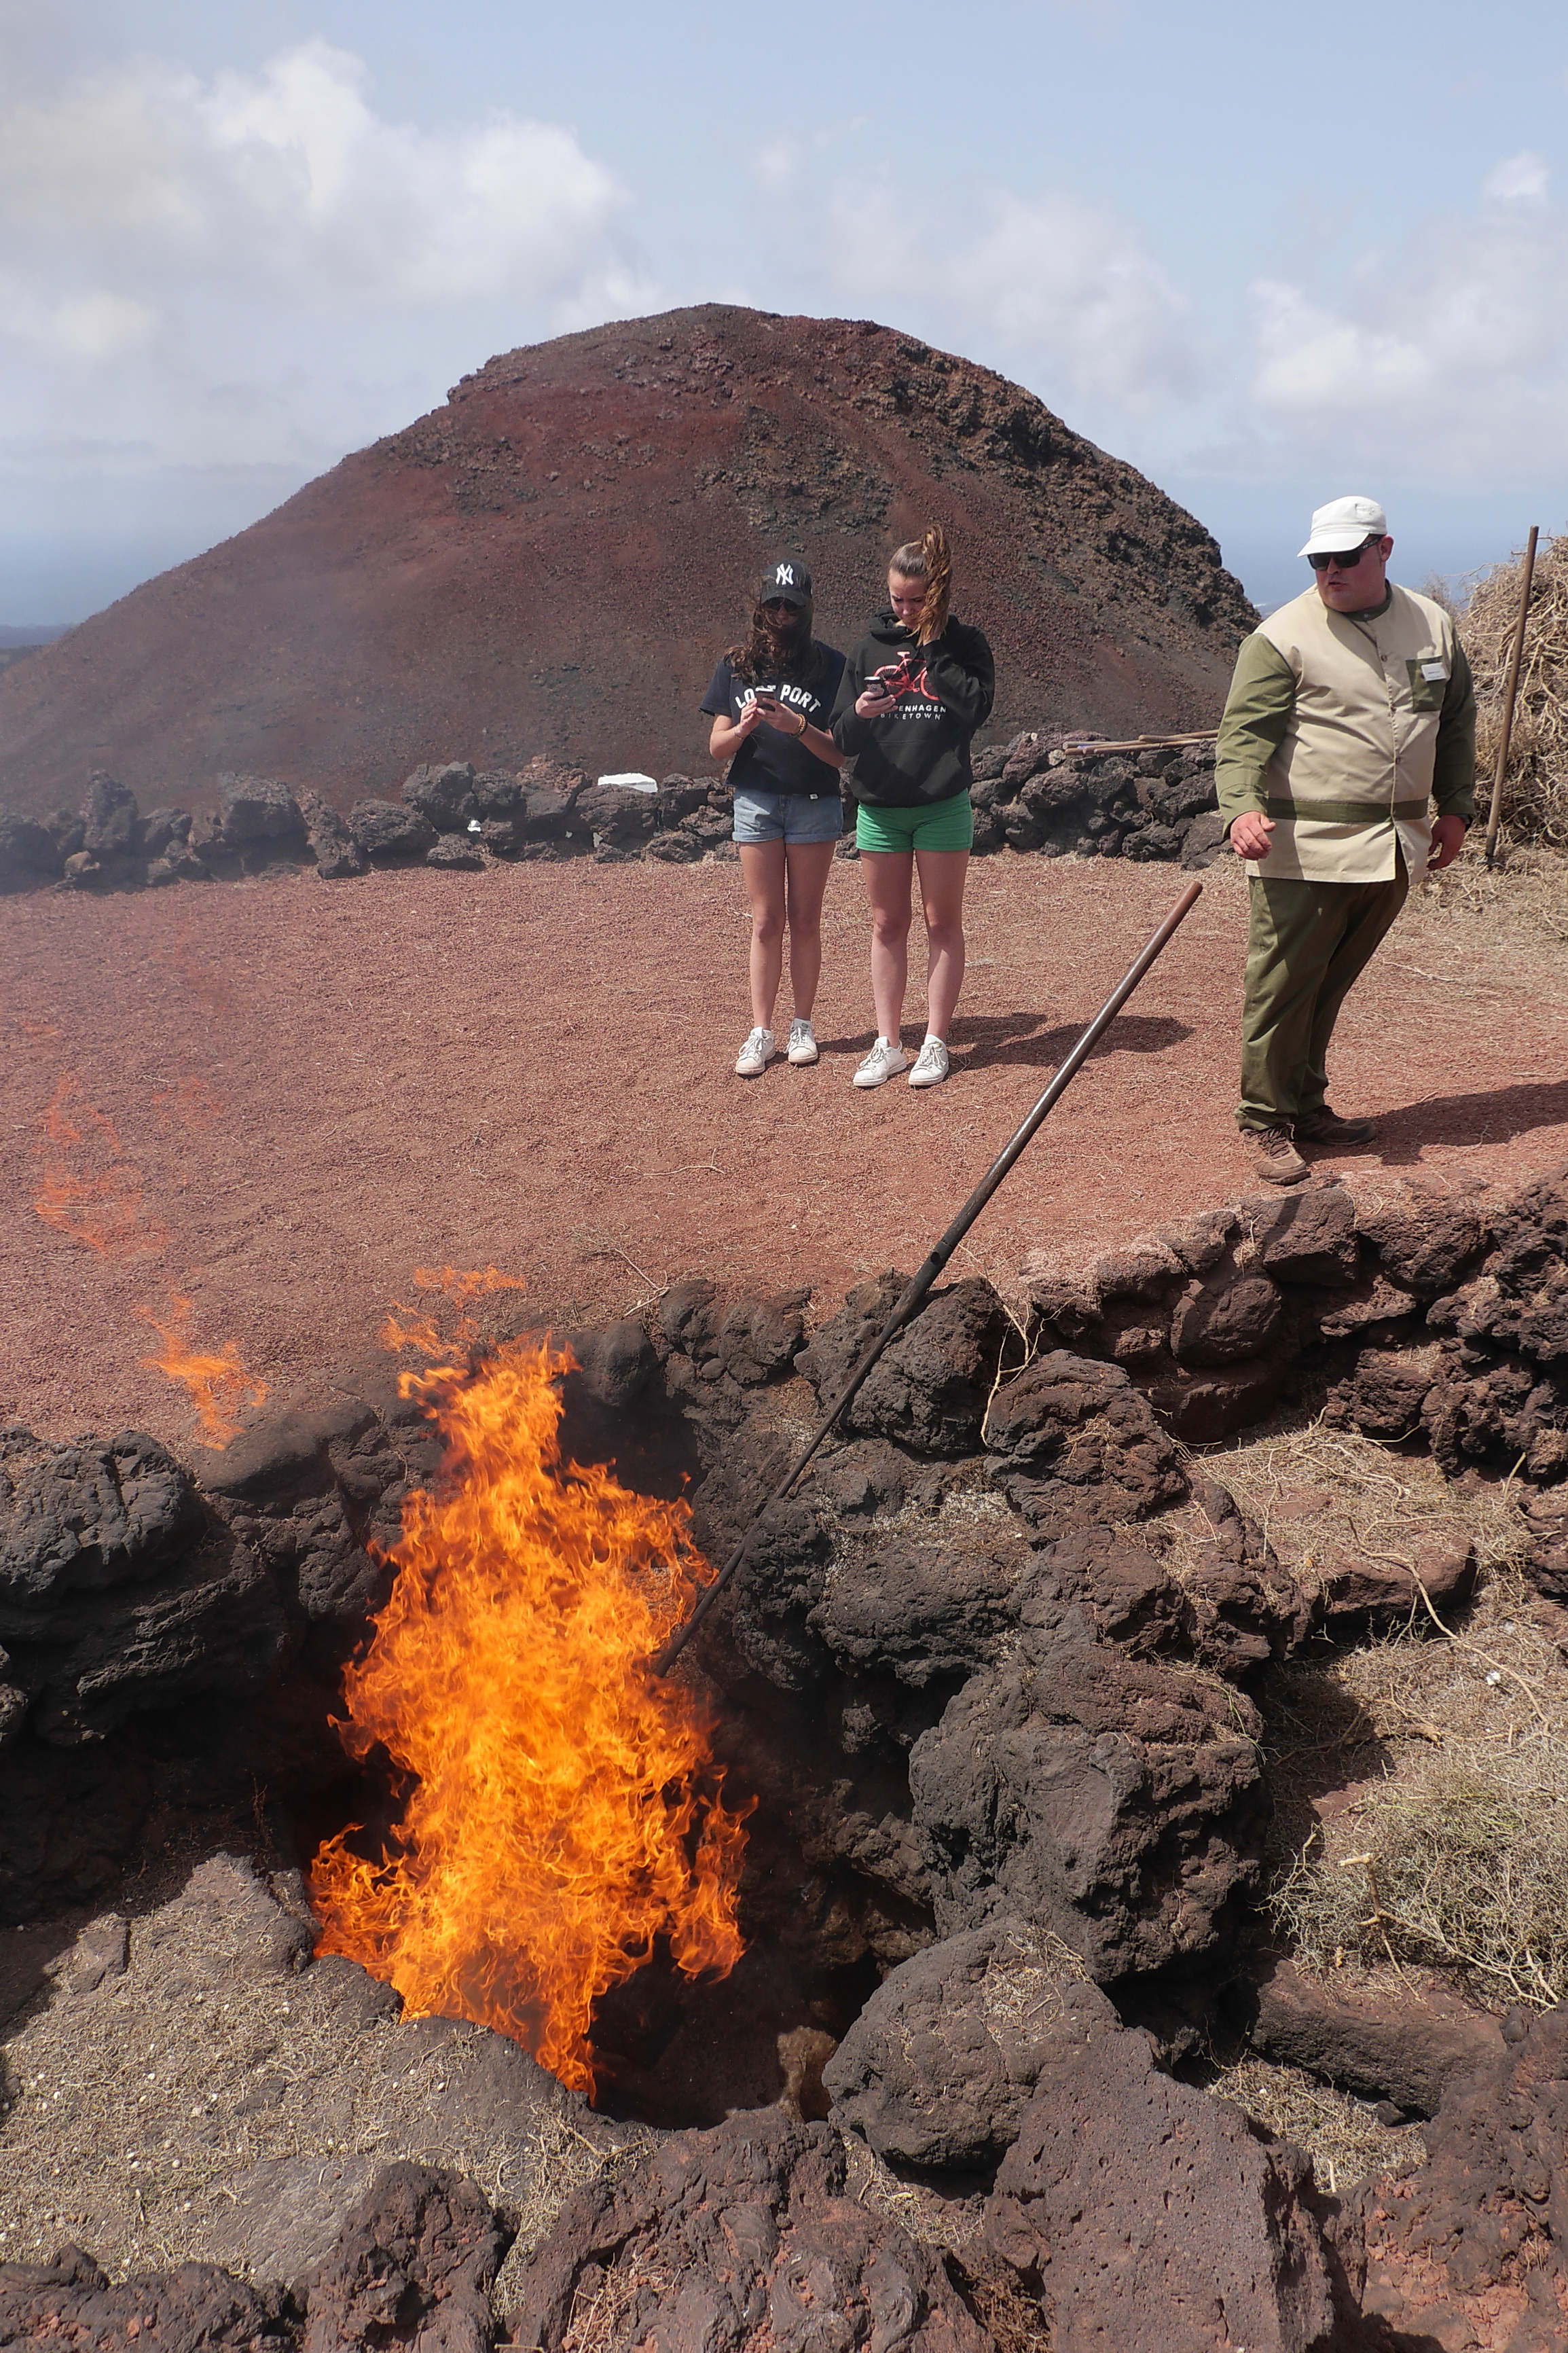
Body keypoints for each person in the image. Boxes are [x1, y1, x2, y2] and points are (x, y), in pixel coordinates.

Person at [1217, 494, 1476, 1185]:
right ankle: (1263, 1119)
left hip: (1393, 845)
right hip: (1303, 848)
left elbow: (1454, 720)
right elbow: (1241, 740)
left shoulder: (1432, 625)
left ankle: (1304, 1106)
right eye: (1318, 560)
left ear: (1382, 550)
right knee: (1281, 986)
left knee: (1326, 985)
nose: (1329, 571)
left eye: (1344, 557)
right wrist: (1239, 810)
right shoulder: (1280, 637)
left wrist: (1455, 806)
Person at [830, 526, 994, 1089]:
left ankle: (935, 1042)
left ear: (937, 595)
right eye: (897, 599)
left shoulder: (965, 644)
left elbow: (976, 710)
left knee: (941, 923)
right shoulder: (866, 648)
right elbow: (842, 737)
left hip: (941, 804)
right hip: (879, 806)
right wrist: (861, 711)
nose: (903, 610)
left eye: (916, 601)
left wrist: (933, 650)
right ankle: (888, 1044)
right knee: (886, 923)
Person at [701, 557, 847, 1077]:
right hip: (756, 802)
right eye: (774, 604)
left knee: (805, 919)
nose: (782, 614)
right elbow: (716, 747)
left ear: (807, 609)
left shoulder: (832, 666)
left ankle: (801, 1025)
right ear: (759, 606)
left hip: (813, 802)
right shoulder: (736, 665)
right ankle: (760, 1031)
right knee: (765, 921)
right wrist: (743, 729)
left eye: (792, 606)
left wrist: (797, 726)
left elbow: (839, 753)